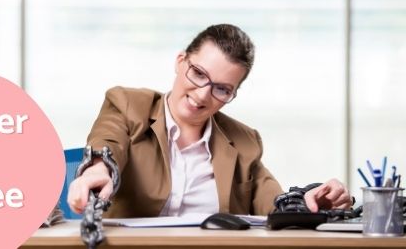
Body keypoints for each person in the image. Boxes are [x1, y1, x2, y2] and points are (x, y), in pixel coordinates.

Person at [68, 24, 352, 217]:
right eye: (199, 74)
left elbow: (272, 201)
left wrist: (307, 202)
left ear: (233, 93)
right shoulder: (127, 105)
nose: (203, 95)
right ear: (181, 61)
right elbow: (107, 142)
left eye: (222, 89)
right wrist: (97, 170)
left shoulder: (244, 142)